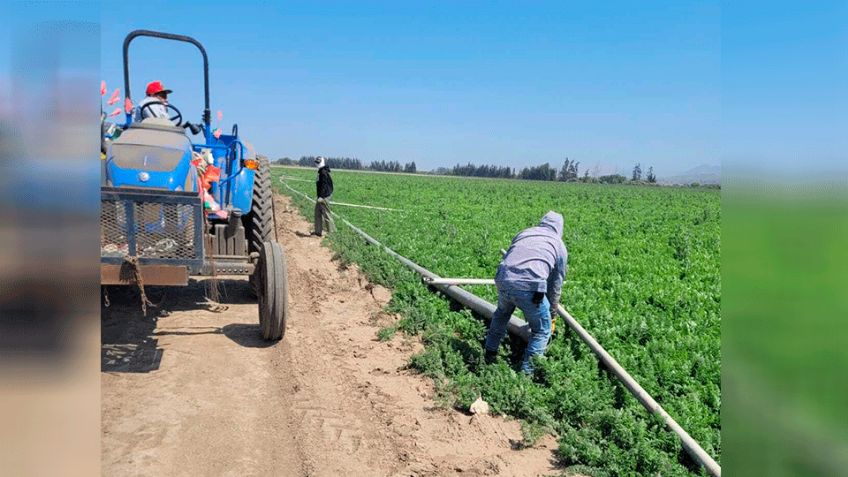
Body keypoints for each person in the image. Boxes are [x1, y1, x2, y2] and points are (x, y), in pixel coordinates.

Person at [484, 211, 568, 374]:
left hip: (503, 279)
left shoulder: (525, 232)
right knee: (541, 330)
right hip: (530, 286)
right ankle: (526, 376)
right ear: (559, 228)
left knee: (502, 313)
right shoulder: (559, 245)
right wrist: (552, 314)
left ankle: (490, 353)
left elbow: (512, 255)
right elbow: (555, 286)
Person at [312, 156, 335, 236]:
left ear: (321, 162)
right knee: (317, 212)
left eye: (318, 162)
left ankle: (331, 233)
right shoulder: (320, 171)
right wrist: (318, 196)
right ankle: (318, 232)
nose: (316, 164)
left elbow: (324, 186)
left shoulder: (323, 172)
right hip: (320, 197)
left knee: (326, 214)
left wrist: (321, 197)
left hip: (324, 196)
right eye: (316, 162)